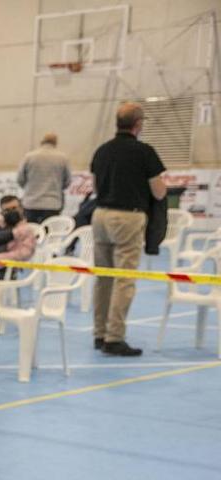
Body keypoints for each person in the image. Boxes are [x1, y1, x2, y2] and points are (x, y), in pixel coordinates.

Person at [90, 102, 168, 356]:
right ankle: (114, 337)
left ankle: (99, 333)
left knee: (103, 277)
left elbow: (95, 186)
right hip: (128, 217)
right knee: (124, 279)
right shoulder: (144, 152)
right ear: (138, 124)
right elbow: (159, 191)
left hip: (100, 215)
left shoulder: (102, 151)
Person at [0, 194, 37, 280]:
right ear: (1, 212)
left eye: (14, 208)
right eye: (7, 210)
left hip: (2, 269)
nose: (11, 212)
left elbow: (24, 253)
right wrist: (12, 234)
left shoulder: (26, 230)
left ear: (21, 209)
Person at [17, 133, 71, 223]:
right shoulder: (63, 158)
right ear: (55, 142)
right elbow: (68, 181)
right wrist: (57, 188)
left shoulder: (29, 157)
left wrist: (29, 189)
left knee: (31, 230)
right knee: (50, 229)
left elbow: (20, 179)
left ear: (42, 141)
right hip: (53, 204)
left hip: (31, 203)